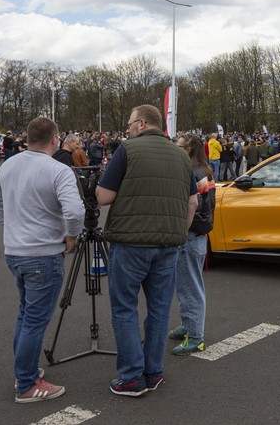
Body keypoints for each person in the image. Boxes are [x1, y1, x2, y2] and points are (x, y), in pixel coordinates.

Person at [95, 104, 197, 397]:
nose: (127, 129)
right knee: (160, 309)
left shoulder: (128, 150)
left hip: (130, 243)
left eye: (129, 124)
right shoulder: (181, 155)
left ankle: (130, 377)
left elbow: (103, 197)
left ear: (141, 124)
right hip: (168, 244)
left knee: (125, 308)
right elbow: (192, 203)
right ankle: (153, 371)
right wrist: (178, 230)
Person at [0, 116, 85, 403]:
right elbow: (75, 211)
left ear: (27, 138)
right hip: (42, 254)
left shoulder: (9, 164)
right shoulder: (58, 170)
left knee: (25, 314)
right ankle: (27, 384)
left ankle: (25, 371)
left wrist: (10, 225)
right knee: (34, 319)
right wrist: (71, 237)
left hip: (15, 251)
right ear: (55, 139)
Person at [170, 134, 216, 355]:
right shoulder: (204, 171)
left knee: (190, 286)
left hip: (190, 235)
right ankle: (189, 325)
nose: (174, 148)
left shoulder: (191, 172)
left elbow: (193, 207)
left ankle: (195, 335)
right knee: (188, 284)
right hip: (198, 234)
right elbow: (209, 204)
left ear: (187, 149)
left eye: (178, 145)